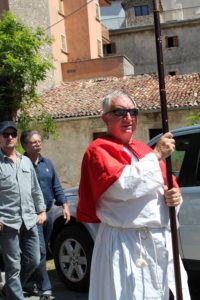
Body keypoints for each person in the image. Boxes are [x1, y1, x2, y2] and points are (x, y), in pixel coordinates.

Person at [76, 91, 191, 300]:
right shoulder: (98, 150)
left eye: (133, 112)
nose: (128, 118)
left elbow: (168, 186)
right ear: (105, 118)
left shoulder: (143, 150)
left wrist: (174, 198)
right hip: (126, 244)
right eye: (120, 112)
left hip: (160, 241)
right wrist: (156, 155)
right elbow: (123, 186)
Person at [20, 130, 70, 300]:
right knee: (40, 251)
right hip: (32, 216)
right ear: (25, 145)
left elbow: (56, 185)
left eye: (39, 141)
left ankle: (28, 282)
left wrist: (64, 205)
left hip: (48, 213)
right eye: (34, 142)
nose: (38, 144)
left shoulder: (47, 163)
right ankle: (45, 288)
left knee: (42, 251)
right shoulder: (21, 164)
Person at [0, 121, 46, 300]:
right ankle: (15, 295)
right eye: (5, 134)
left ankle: (9, 290)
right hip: (7, 222)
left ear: (17, 138)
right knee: (13, 266)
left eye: (13, 134)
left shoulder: (25, 161)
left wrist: (41, 210)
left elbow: (35, 189)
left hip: (29, 220)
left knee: (34, 259)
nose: (10, 137)